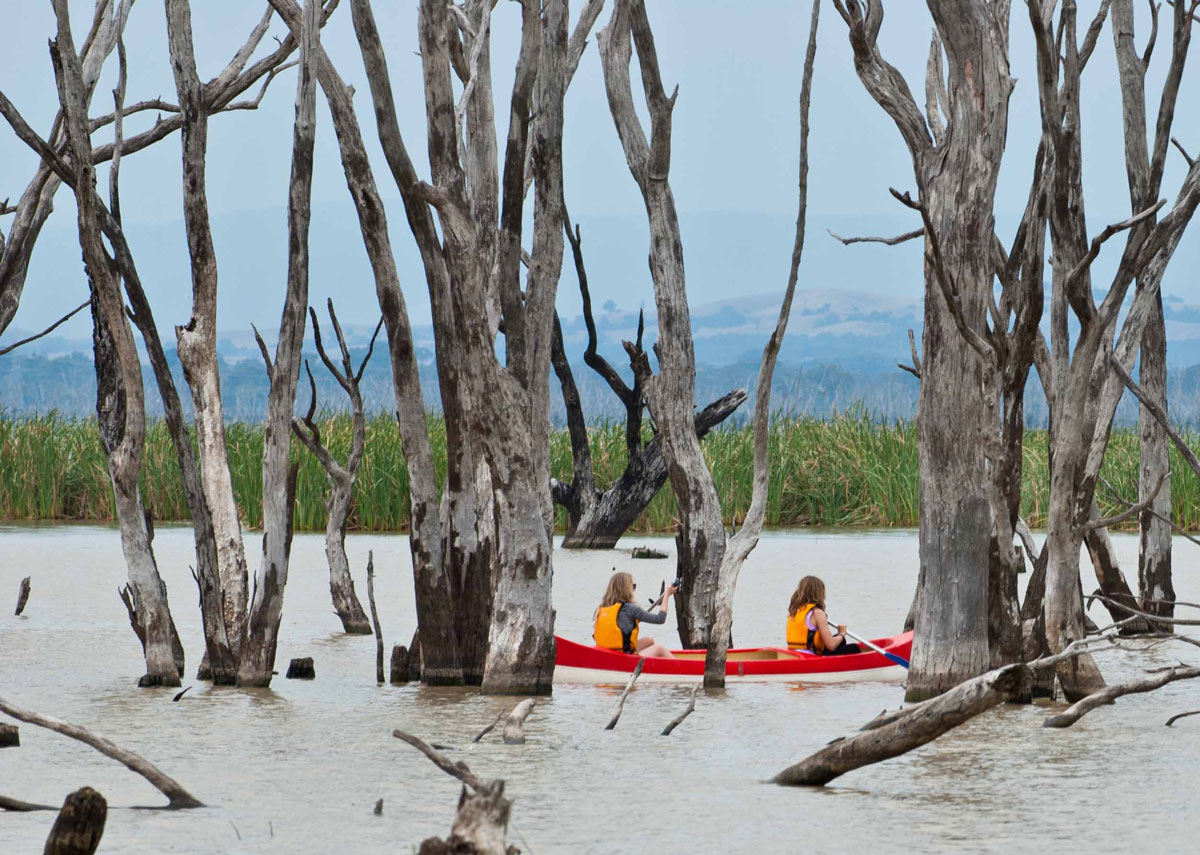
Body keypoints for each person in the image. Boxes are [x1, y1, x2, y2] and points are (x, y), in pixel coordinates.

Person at [593, 571, 678, 658]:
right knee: (659, 649)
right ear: (627, 589)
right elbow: (660, 618)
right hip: (623, 657)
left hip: (606, 653)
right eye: (633, 586)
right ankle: (680, 668)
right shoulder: (630, 608)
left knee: (649, 640)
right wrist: (666, 595)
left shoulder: (601, 609)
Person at [786, 575, 861, 656]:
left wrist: (839, 637)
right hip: (810, 656)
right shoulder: (817, 613)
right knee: (854, 648)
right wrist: (842, 634)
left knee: (840, 642)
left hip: (794, 654)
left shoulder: (794, 610)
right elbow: (831, 645)